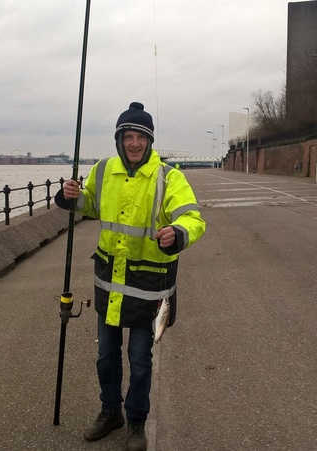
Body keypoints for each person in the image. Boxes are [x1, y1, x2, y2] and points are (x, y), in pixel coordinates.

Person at [55, 101, 206, 451]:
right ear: (119, 138)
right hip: (109, 282)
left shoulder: (170, 176)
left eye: (140, 136)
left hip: (149, 287)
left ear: (149, 141)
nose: (134, 143)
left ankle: (136, 421)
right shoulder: (104, 169)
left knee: (140, 359)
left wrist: (178, 233)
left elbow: (193, 219)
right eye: (128, 136)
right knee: (106, 356)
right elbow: (89, 203)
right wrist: (70, 197)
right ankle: (111, 412)